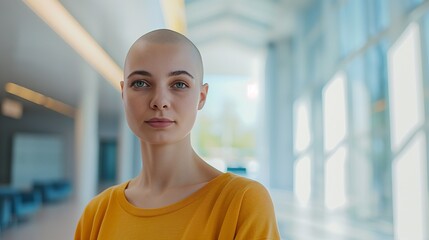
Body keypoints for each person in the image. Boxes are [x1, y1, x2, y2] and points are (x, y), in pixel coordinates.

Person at [74, 29, 280, 240]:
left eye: (179, 84)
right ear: (124, 93)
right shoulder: (97, 213)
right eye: (141, 83)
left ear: (201, 97)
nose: (159, 101)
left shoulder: (241, 203)